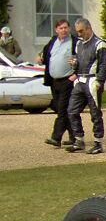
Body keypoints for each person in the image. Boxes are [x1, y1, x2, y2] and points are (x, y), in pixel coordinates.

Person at [67, 17, 106, 155]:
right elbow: (78, 61)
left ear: (89, 28)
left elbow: (104, 65)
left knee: (95, 113)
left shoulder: (100, 44)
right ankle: (79, 139)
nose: (79, 34)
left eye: (81, 31)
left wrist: (99, 81)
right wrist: (74, 66)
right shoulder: (79, 44)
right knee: (72, 110)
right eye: (77, 31)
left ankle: (98, 142)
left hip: (92, 81)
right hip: (80, 80)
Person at [39, 18, 75, 147]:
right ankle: (74, 137)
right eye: (61, 28)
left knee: (63, 109)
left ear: (69, 29)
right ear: (56, 30)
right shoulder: (53, 41)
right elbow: (45, 53)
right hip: (54, 81)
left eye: (66, 27)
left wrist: (75, 74)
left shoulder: (74, 42)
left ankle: (56, 137)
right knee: (62, 109)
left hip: (68, 80)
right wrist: (40, 58)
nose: (64, 30)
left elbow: (81, 59)